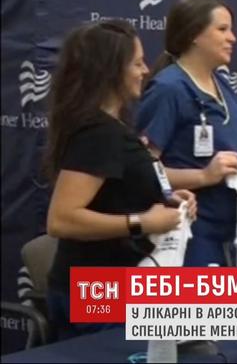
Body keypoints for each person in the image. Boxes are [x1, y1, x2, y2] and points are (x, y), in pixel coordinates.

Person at [44, 20, 196, 340]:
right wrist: (143, 222)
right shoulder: (98, 133)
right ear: (111, 70)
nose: (145, 70)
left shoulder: (114, 128)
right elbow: (62, 219)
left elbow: (115, 193)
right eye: (137, 63)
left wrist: (169, 201)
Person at [137, 0, 237, 267]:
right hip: (193, 237)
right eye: (222, 29)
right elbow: (142, 171)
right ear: (194, 35)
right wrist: (203, 176)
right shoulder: (169, 89)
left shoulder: (223, 85)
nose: (233, 38)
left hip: (235, 235)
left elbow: (229, 151)